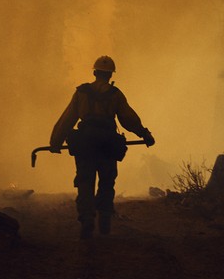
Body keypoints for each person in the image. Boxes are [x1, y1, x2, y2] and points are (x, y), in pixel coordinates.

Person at [50, 56, 155, 239]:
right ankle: (104, 219)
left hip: (85, 144)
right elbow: (128, 118)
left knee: (85, 182)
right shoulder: (115, 95)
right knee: (107, 182)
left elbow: (68, 118)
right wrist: (145, 134)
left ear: (94, 72)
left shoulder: (82, 92)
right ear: (110, 75)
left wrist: (55, 142)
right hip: (108, 144)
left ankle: (87, 219)